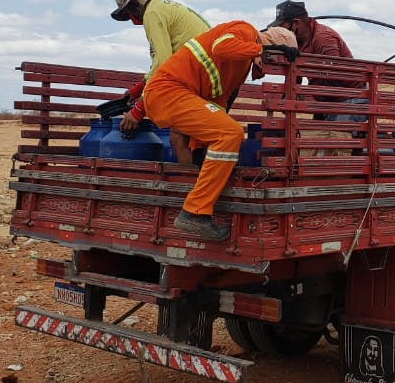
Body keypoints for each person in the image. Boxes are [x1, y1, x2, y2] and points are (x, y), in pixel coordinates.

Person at [126, 21, 300, 241]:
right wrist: (261, 50)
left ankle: (199, 197)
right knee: (231, 133)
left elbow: (215, 104)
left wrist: (200, 147)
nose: (268, 68)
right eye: (275, 60)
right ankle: (194, 213)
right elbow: (221, 47)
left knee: (224, 131)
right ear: (274, 45)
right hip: (168, 92)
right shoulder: (245, 30)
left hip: (178, 95)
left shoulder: (239, 69)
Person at [110, 0, 210, 164]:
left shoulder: (152, 13)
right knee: (196, 141)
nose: (133, 20)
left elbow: (163, 63)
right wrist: (139, 87)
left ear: (134, 6)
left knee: (178, 139)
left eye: (129, 14)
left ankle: (189, 190)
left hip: (202, 76)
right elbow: (163, 61)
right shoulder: (163, 7)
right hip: (211, 74)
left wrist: (140, 108)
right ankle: (202, 185)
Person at [269, 0, 366, 122]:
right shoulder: (297, 43)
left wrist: (310, 95)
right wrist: (288, 96)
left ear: (296, 23)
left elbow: (335, 75)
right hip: (329, 100)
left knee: (336, 136)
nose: (281, 33)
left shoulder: (323, 38)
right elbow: (295, 74)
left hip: (351, 99)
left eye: (282, 28)